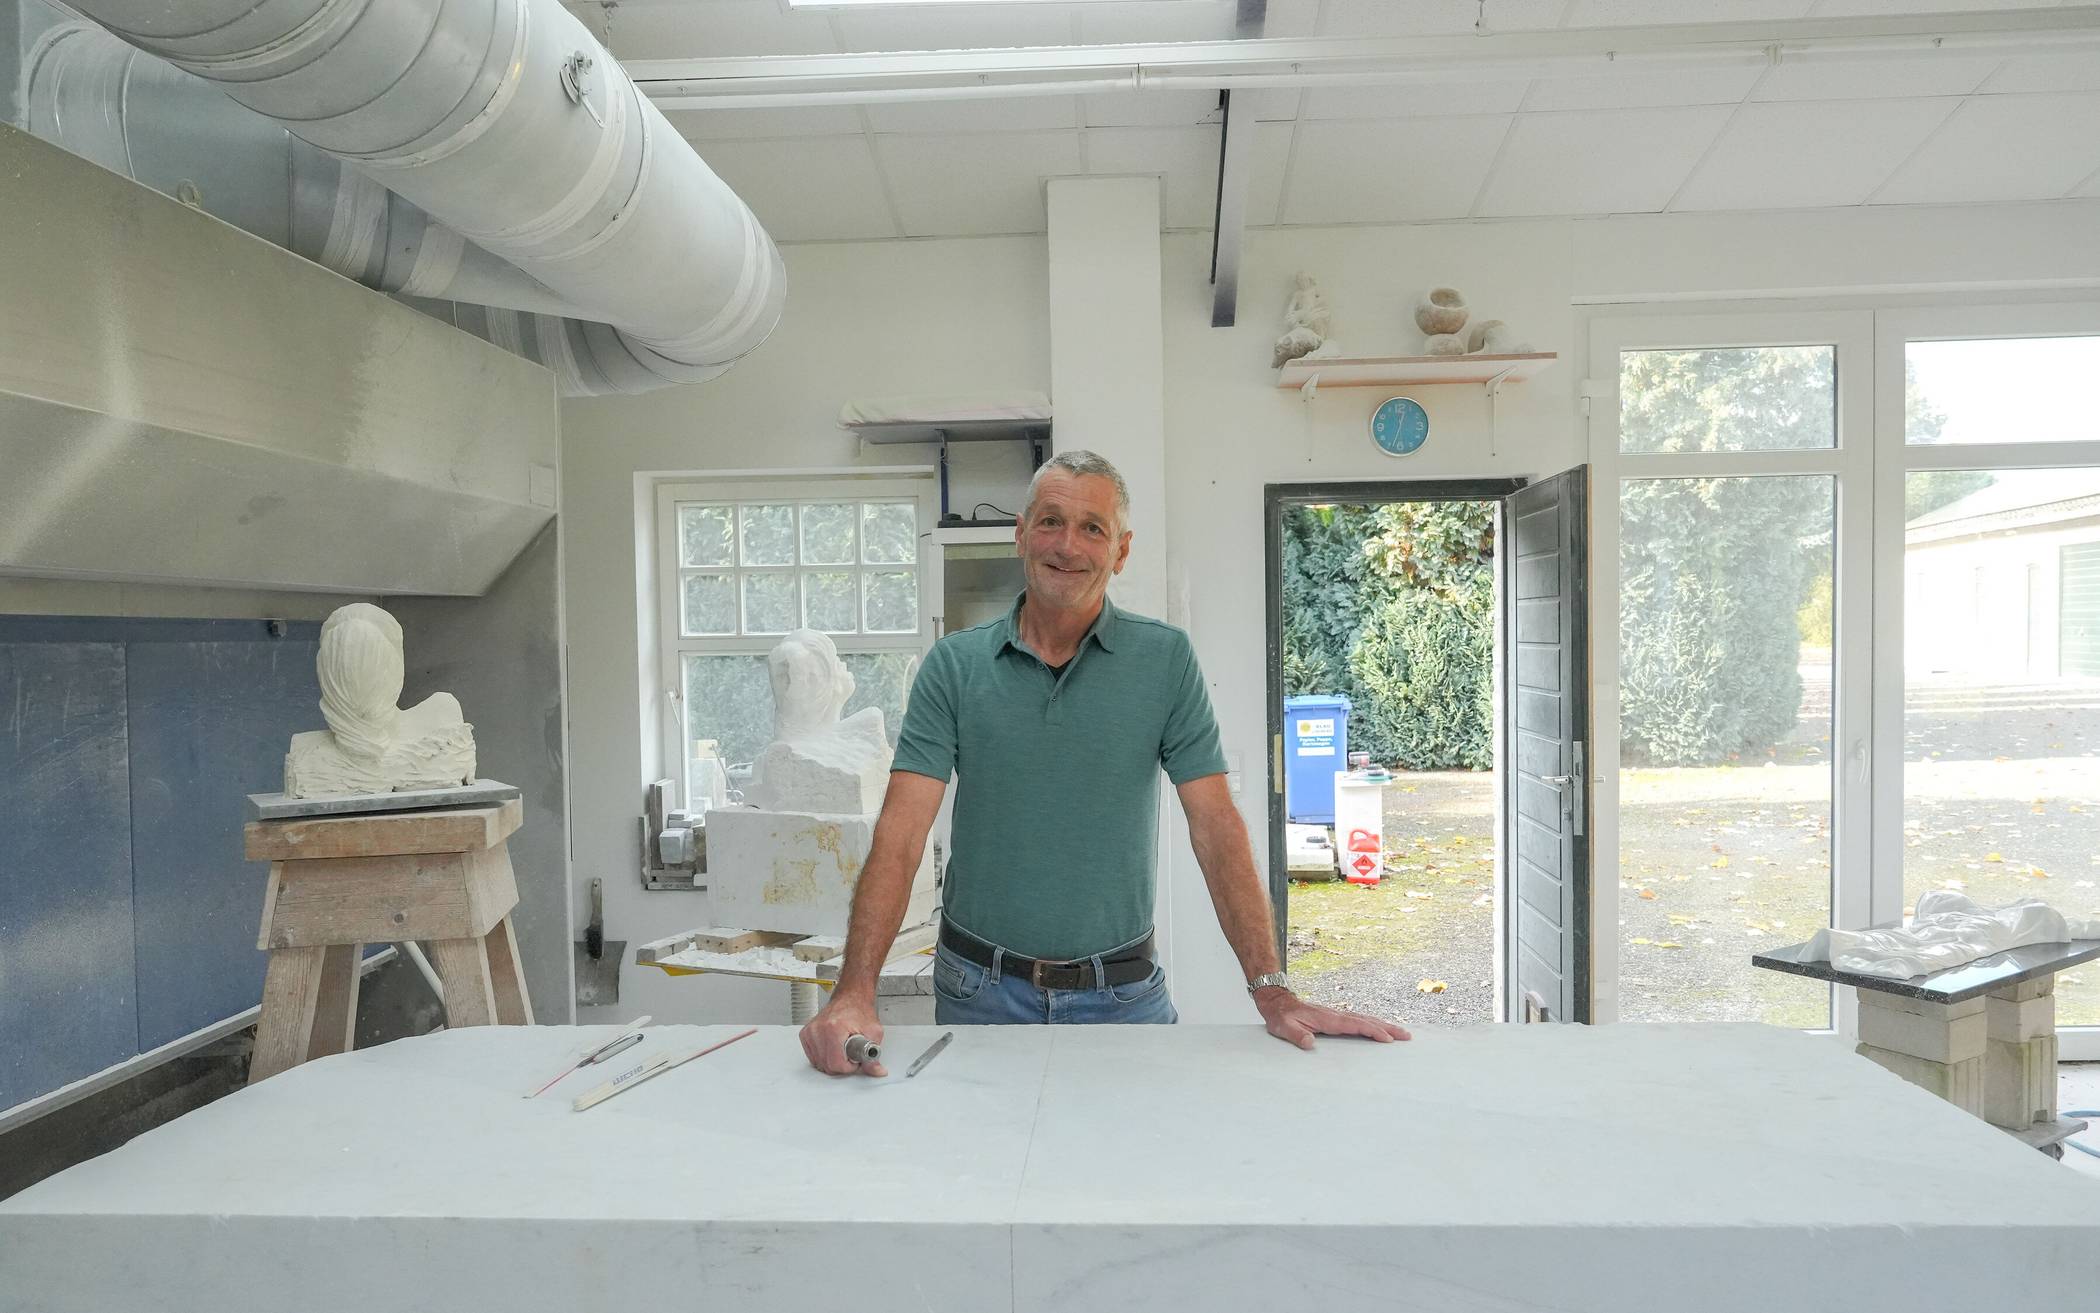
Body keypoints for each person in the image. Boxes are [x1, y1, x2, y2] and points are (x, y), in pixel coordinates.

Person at [799, 450, 1408, 1076]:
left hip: (1122, 993)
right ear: (1021, 533)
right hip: (978, 991)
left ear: (1121, 551)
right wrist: (854, 992)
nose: (1068, 545)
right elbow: (900, 834)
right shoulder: (955, 667)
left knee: (1134, 1168)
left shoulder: (1164, 660)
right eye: (1050, 522)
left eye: (1093, 528)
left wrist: (1272, 990)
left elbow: (1216, 826)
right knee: (981, 1167)